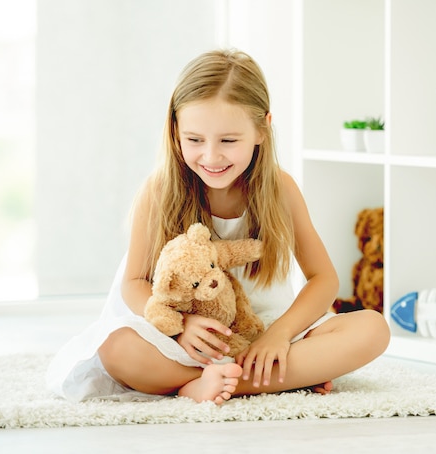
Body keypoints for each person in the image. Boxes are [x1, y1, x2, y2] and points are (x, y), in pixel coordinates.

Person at [46, 49, 390, 405]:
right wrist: (180, 329)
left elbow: (324, 278)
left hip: (262, 330)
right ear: (175, 130)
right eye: (195, 140)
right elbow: (134, 284)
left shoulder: (280, 188)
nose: (211, 157)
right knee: (117, 348)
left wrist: (280, 335)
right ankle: (269, 379)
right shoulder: (159, 190)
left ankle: (210, 384)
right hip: (185, 335)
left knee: (372, 329)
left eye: (228, 141)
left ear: (262, 129)